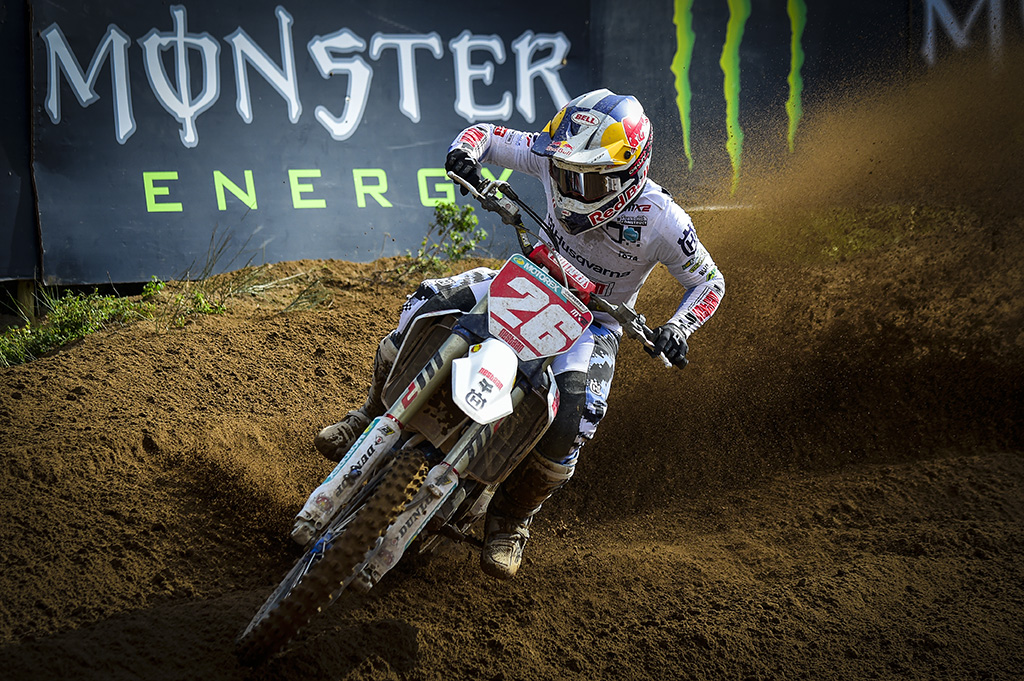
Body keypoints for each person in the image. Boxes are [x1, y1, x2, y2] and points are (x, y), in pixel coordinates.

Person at [315, 88, 725, 580]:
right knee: (425, 306)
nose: (569, 187)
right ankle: (370, 414)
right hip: (526, 279)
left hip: (593, 324)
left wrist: (678, 327)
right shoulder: (552, 156)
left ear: (628, 174)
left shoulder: (663, 219)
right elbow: (487, 136)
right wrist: (465, 156)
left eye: (587, 180)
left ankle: (511, 518)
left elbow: (709, 282)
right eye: (564, 173)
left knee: (576, 415)